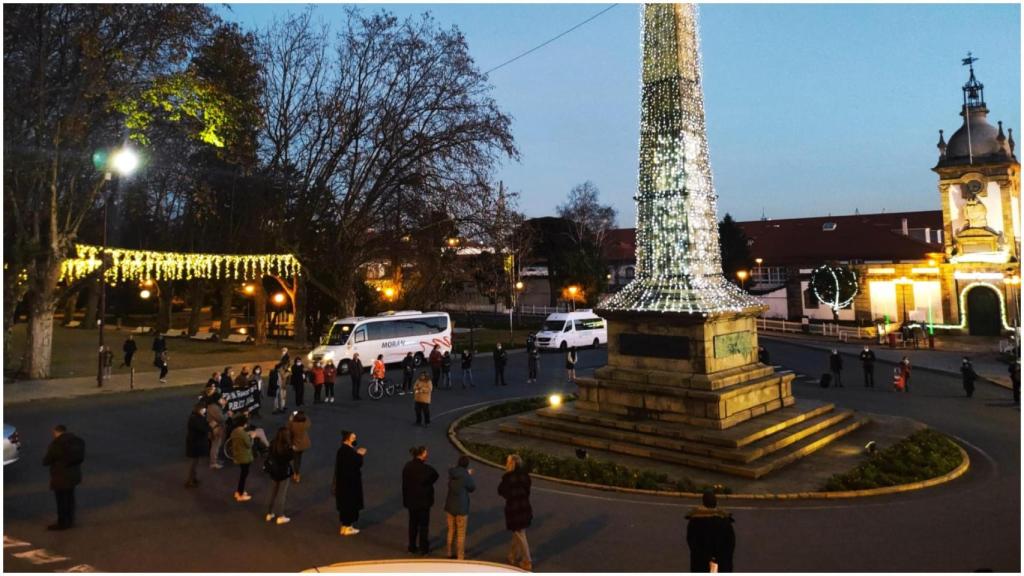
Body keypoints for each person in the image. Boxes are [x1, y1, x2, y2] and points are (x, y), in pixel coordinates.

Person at [42, 425, 85, 531]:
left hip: (60, 476)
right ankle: (70, 520)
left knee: (61, 500)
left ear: (56, 432)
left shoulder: (56, 444)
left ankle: (62, 523)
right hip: (73, 475)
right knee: (70, 498)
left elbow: (46, 461)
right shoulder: (77, 441)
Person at [685, 490, 736, 573]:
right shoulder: (725, 521)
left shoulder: (695, 521)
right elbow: (730, 543)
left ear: (703, 502)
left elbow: (691, 541)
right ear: (716, 503)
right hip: (721, 562)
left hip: (701, 563)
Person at [497, 454, 532, 571]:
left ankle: (527, 560)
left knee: (520, 534)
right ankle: (512, 555)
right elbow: (527, 490)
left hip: (514, 508)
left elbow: (501, 491)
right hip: (524, 506)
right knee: (518, 532)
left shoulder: (508, 477)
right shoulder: (525, 476)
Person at [403, 446, 440, 555]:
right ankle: (424, 548)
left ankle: (412, 546)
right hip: (424, 502)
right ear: (422, 454)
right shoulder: (427, 469)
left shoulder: (407, 467)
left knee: (412, 524)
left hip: (411, 501)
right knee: (423, 526)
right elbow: (435, 475)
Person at [334, 430, 366, 536]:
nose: (355, 440)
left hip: (342, 483)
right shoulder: (348, 452)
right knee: (350, 504)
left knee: (344, 504)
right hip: (350, 483)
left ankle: (345, 526)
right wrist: (360, 455)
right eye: (353, 438)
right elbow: (356, 464)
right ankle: (348, 526)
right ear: (348, 439)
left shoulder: (341, 450)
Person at [444, 455, 476, 560]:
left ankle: (449, 552)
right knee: (461, 533)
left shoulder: (452, 473)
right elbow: (472, 488)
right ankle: (460, 556)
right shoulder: (466, 476)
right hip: (461, 507)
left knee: (451, 530)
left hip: (450, 506)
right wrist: (468, 474)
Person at [264, 427, 295, 525]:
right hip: (283, 472)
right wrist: (293, 450)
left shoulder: (273, 443)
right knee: (281, 494)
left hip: (274, 471)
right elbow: (290, 458)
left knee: (272, 492)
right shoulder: (287, 448)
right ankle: (280, 515)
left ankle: (269, 513)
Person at [229, 414, 254, 502]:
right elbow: (249, 445)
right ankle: (240, 494)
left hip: (237, 454)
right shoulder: (243, 434)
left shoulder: (234, 431)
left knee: (243, 475)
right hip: (245, 457)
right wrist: (252, 437)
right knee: (244, 475)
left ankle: (239, 491)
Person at [186, 402, 211, 488]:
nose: (205, 410)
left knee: (195, 463)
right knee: (194, 463)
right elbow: (203, 429)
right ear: (200, 409)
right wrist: (210, 426)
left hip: (195, 443)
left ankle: (193, 478)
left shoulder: (195, 417)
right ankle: (191, 480)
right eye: (204, 409)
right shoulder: (196, 419)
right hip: (195, 444)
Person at [287, 411, 311, 483]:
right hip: (303, 445)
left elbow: (288, 427)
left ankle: (296, 474)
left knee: (296, 460)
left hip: (295, 445)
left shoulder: (293, 425)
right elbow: (308, 421)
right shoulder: (305, 425)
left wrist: (291, 416)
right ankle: (297, 474)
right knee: (299, 459)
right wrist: (304, 415)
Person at [207, 396, 227, 469]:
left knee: (217, 445)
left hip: (216, 428)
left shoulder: (214, 406)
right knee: (215, 445)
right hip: (216, 428)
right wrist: (228, 414)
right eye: (220, 398)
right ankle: (213, 463)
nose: (222, 399)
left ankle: (215, 460)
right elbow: (221, 418)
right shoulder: (214, 407)